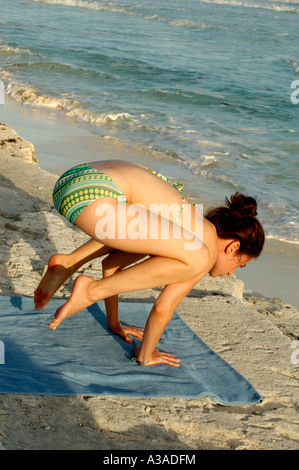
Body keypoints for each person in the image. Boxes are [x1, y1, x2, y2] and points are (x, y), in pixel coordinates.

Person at [34, 160, 265, 367]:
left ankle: (68, 263)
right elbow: (163, 308)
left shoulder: (183, 225)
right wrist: (146, 356)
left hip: (75, 178)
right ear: (233, 247)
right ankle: (90, 289)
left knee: (144, 229)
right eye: (239, 264)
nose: (231, 273)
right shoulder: (204, 243)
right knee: (200, 257)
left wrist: (114, 324)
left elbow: (111, 265)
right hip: (94, 196)